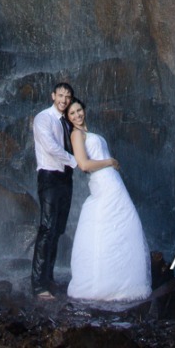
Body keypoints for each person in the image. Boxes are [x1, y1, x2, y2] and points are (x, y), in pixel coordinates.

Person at [66, 98, 151, 303]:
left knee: (123, 226)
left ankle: (123, 281)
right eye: (72, 113)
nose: (77, 115)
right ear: (68, 118)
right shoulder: (76, 134)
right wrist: (109, 161)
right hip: (103, 182)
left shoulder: (88, 132)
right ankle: (99, 284)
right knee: (105, 227)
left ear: (84, 110)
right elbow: (84, 165)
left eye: (79, 110)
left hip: (114, 183)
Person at [31, 81, 78, 298]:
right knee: (47, 228)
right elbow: (50, 146)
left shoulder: (66, 122)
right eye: (60, 95)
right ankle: (38, 284)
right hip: (49, 177)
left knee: (58, 230)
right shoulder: (43, 118)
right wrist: (75, 160)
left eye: (67, 97)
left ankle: (49, 278)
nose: (64, 100)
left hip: (65, 178)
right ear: (53, 96)